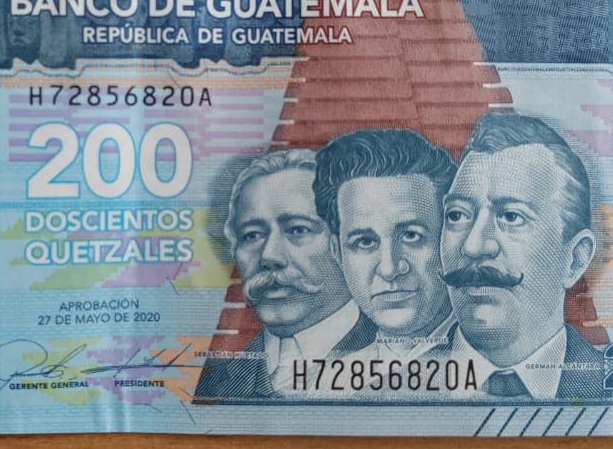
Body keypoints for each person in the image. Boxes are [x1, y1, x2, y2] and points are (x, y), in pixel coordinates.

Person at [435, 112, 609, 402]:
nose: (473, 246)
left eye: (511, 217)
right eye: (457, 215)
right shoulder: (387, 389)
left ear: (575, 260)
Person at [195, 149, 376, 401]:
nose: (269, 255)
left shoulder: (407, 358)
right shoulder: (210, 385)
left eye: (297, 230)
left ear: (348, 242)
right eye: (252, 235)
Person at [313, 129, 457, 364]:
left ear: (449, 240)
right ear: (337, 253)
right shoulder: (324, 369)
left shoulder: (499, 363)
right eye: (365, 242)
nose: (389, 269)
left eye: (411, 235)